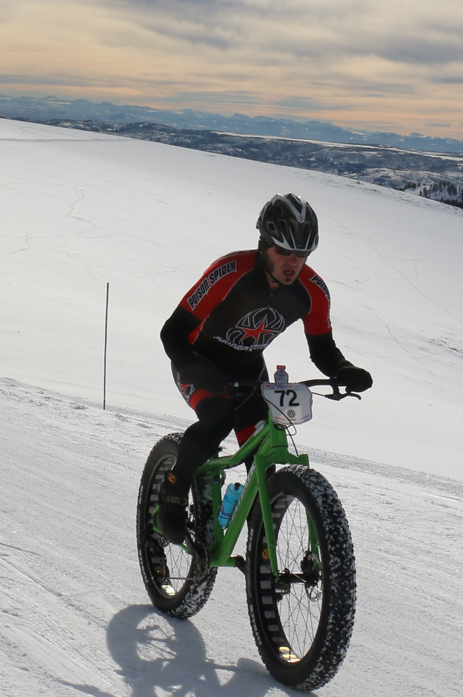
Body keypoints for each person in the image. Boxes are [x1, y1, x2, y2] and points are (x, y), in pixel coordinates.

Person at [156, 194, 372, 543]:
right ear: (264, 245)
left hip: (248, 369)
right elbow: (173, 333)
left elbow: (322, 349)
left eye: (301, 254)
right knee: (219, 417)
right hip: (198, 358)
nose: (292, 262)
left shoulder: (312, 292)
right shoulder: (229, 272)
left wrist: (343, 370)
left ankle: (260, 552)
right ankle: (173, 490)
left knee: (262, 454)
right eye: (284, 252)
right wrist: (194, 371)